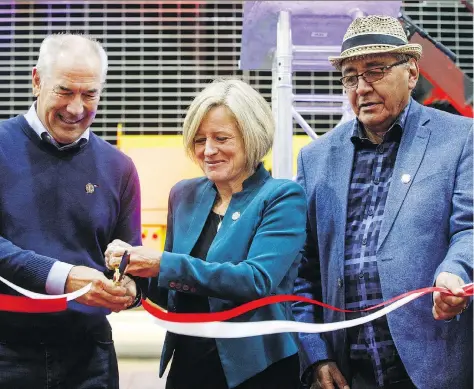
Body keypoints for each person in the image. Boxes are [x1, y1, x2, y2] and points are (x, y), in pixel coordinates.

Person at [292, 15, 472, 389]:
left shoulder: (459, 138)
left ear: (411, 73)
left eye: (375, 70)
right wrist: (316, 355)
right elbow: (302, 268)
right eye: (351, 77)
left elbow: (469, 228)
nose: (362, 87)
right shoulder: (316, 159)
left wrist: (456, 271)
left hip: (432, 366)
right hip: (349, 371)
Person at [105, 79, 307, 389]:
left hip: (258, 370)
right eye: (199, 140)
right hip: (189, 365)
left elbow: (255, 280)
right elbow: (172, 289)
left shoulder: (282, 197)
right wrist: (132, 278)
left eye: (221, 138)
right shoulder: (183, 195)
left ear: (252, 137)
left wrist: (161, 263)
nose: (208, 151)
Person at [0, 33, 143, 389]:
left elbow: (131, 258)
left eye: (90, 94)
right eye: (65, 91)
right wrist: (64, 277)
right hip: (6, 348)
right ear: (37, 80)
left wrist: (130, 287)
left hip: (90, 355)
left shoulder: (118, 167)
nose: (77, 108)